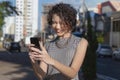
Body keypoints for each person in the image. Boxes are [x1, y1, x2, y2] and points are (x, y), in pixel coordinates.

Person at [28, 3, 88, 80]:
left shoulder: (81, 42)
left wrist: (51, 61)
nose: (57, 27)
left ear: (70, 22)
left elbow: (72, 73)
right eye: (54, 22)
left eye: (61, 23)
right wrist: (34, 63)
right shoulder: (48, 45)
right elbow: (42, 77)